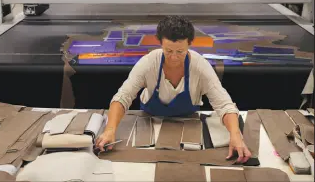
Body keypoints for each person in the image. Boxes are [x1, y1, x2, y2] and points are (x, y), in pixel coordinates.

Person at [96, 16, 251, 163]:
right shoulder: (149, 63)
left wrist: (235, 135)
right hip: (150, 124)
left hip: (189, 127)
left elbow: (224, 104)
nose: (174, 57)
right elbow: (123, 96)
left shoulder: (200, 66)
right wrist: (110, 130)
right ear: (160, 43)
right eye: (169, 51)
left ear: (190, 44)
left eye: (180, 52)